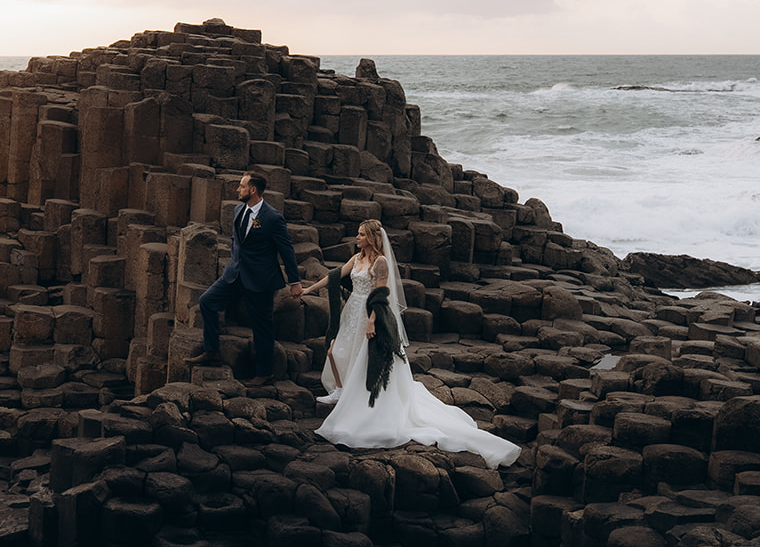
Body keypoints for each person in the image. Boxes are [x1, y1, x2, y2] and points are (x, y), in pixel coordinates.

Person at [304, 219, 520, 469]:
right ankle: (342, 391)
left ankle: (354, 397)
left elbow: (381, 296)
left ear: (373, 237)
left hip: (369, 314)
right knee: (337, 351)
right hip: (352, 311)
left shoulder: (380, 263)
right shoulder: (356, 258)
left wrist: (373, 322)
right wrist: (309, 289)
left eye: (362, 235)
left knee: (361, 357)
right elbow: (335, 276)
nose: (357, 238)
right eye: (358, 234)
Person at [185, 171, 304, 385]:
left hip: (260, 280)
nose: (237, 189)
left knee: (262, 327)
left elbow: (286, 250)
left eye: (241, 186)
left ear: (253, 190)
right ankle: (212, 351)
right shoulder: (239, 209)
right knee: (207, 301)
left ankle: (264, 373)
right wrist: (234, 262)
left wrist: (295, 282)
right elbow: (236, 240)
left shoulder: (273, 217)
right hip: (235, 274)